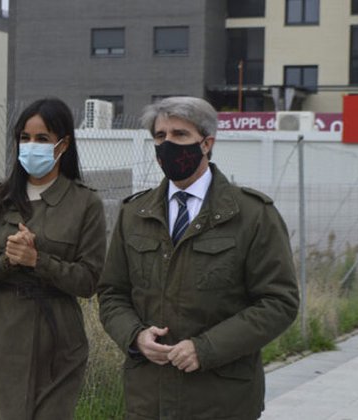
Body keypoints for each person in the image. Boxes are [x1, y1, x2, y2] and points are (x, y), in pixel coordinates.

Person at [98, 96, 299, 420]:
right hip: (148, 398)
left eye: (179, 135)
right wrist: (134, 335)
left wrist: (205, 348)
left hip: (222, 400)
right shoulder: (134, 213)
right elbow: (111, 293)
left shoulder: (252, 214)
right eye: (160, 136)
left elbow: (279, 302)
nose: (167, 145)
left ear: (206, 143)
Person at [0, 98, 106, 420]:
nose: (31, 146)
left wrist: (37, 260)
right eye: (24, 138)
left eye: (42, 139)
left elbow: (89, 281)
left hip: (59, 339)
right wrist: (8, 260)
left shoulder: (85, 203)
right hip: (5, 333)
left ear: (63, 144)